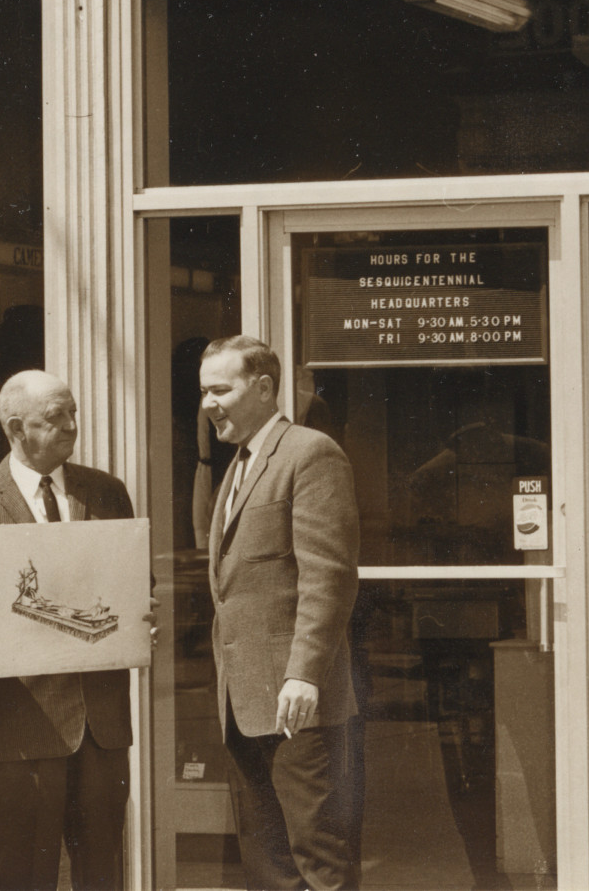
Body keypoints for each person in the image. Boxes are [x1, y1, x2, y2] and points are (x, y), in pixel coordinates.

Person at [0, 370, 146, 891]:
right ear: (16, 428)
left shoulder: (107, 492)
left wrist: (141, 612)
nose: (71, 426)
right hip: (19, 724)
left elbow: (135, 582)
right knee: (22, 873)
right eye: (55, 418)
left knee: (101, 872)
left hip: (100, 727)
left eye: (73, 413)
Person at [200, 335, 362, 890]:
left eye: (221, 390)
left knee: (318, 858)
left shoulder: (310, 453)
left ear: (265, 388)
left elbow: (328, 576)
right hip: (243, 701)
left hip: (298, 704)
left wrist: (304, 674)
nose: (208, 404)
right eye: (204, 392)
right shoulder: (237, 466)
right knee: (267, 864)